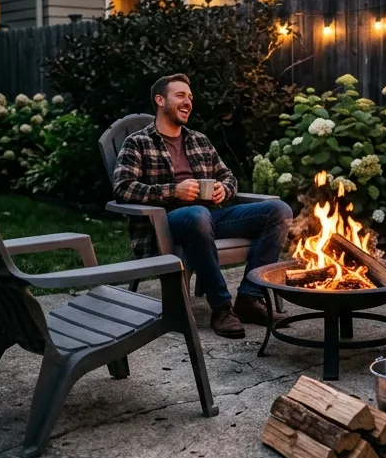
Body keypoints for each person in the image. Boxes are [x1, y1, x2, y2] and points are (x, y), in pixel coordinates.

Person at [112, 73, 292, 339]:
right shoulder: (138, 142)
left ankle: (249, 298)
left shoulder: (199, 140)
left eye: (191, 97)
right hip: (165, 225)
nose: (188, 102)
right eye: (181, 95)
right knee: (197, 214)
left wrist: (224, 189)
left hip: (208, 218)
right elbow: (123, 187)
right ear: (160, 100)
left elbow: (228, 176)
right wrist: (174, 191)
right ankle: (221, 307)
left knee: (280, 211)